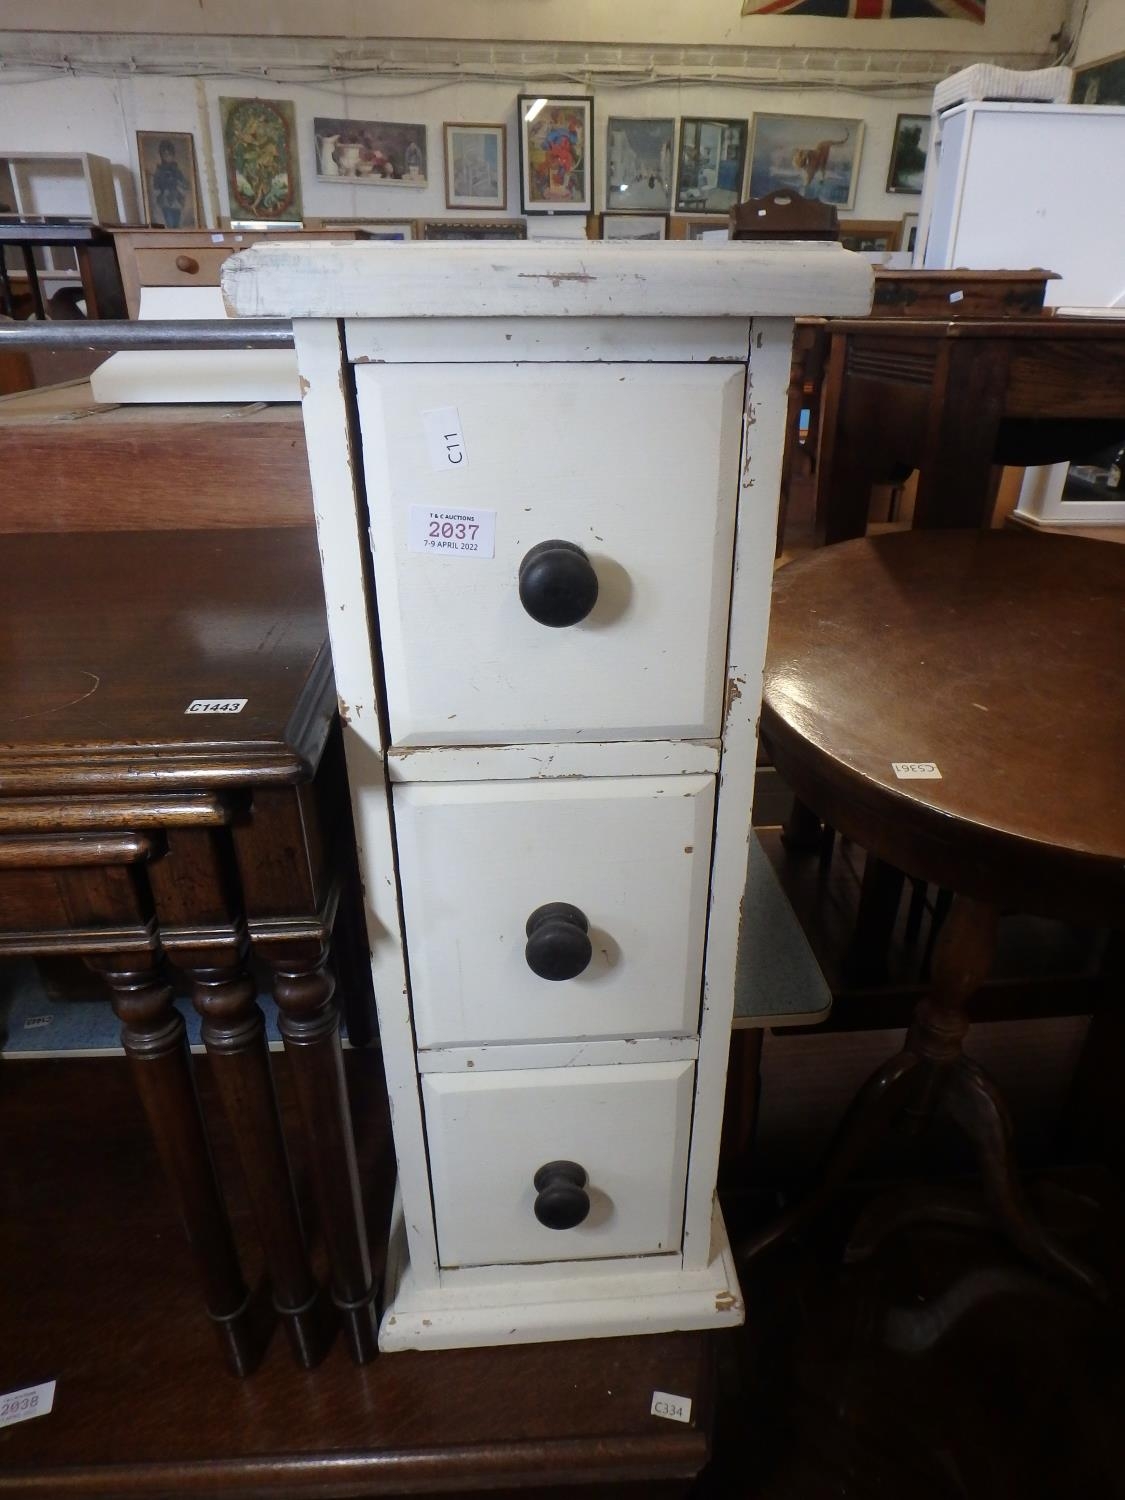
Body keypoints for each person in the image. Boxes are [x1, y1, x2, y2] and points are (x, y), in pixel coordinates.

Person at [151, 139, 192, 228]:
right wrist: (163, 188)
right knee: (170, 223)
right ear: (162, 156)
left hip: (177, 200)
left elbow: (184, 183)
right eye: (165, 155)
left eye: (169, 154)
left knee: (176, 223)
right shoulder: (160, 170)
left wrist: (181, 183)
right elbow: (156, 185)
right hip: (165, 200)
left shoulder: (176, 170)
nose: (168, 157)